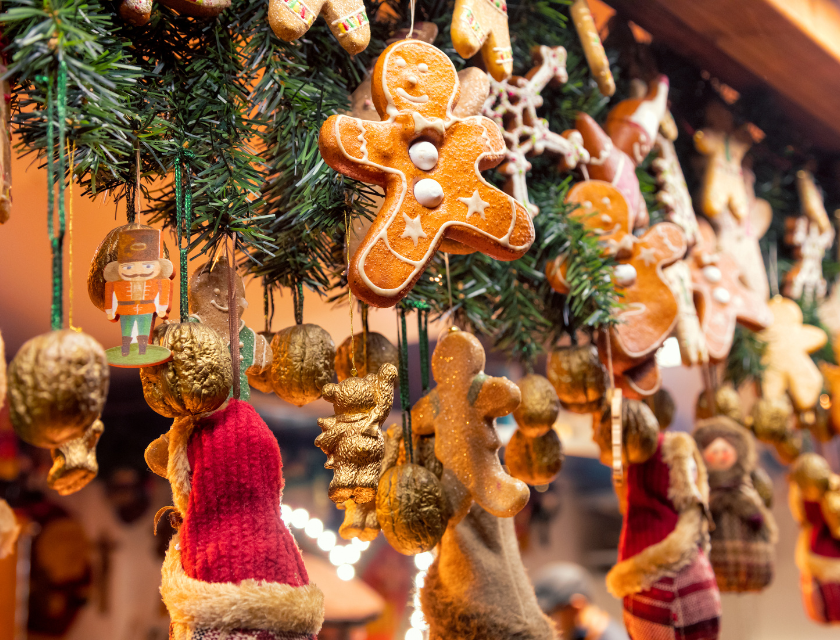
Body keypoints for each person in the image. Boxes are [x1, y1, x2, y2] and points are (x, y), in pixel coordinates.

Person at [534, 563, 628, 640]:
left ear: (577, 606)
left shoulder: (609, 637)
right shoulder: (584, 635)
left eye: (549, 614)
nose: (547, 625)